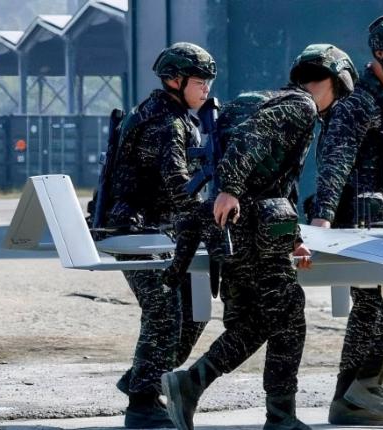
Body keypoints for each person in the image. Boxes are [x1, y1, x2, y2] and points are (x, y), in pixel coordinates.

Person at [161, 44, 358, 430]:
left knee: (262, 318)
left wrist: (293, 237)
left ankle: (202, 387)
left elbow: (273, 180)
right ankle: (264, 411)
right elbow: (252, 140)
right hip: (251, 224)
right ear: (333, 83)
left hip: (236, 226)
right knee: (285, 313)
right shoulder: (301, 106)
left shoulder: (259, 99)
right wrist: (230, 188)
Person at [307, 14, 383, 425]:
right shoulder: (357, 102)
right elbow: (334, 163)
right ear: (379, 53)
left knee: (369, 310)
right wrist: (322, 220)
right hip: (352, 225)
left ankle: (349, 400)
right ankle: (367, 385)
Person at [103, 42, 216, 428]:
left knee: (195, 310)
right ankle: (142, 404)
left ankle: (142, 377)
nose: (206, 89)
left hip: (161, 233)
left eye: (208, 82)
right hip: (136, 231)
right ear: (174, 80)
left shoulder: (174, 115)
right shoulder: (165, 123)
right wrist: (212, 216)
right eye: (200, 82)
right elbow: (178, 185)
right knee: (165, 312)